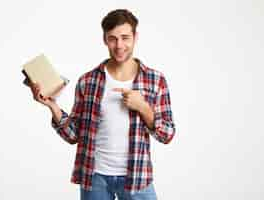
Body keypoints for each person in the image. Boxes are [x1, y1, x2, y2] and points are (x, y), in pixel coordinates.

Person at [29, 9, 175, 200]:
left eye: (125, 37)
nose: (119, 45)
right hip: (95, 177)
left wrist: (143, 107)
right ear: (105, 39)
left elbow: (167, 134)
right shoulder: (88, 81)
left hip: (137, 176)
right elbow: (74, 135)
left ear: (135, 37)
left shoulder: (155, 80)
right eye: (113, 38)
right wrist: (52, 106)